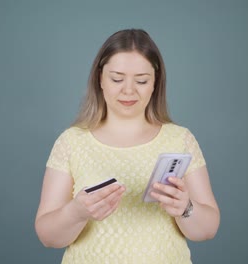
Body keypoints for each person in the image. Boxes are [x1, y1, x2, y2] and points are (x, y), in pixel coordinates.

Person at [35, 29, 220, 263]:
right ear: (100, 78)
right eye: (117, 79)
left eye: (141, 80)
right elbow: (47, 236)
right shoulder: (71, 142)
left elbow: (207, 229)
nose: (129, 90)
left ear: (155, 82)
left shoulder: (180, 139)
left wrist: (186, 208)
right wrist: (77, 212)